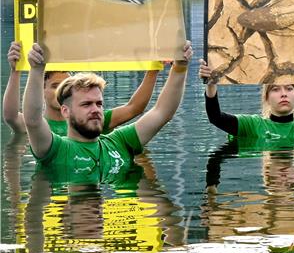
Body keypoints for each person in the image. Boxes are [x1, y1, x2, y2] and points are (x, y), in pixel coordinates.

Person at [22, 41, 193, 181]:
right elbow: (33, 120)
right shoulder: (56, 149)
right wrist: (37, 69)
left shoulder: (119, 141)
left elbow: (162, 112)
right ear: (66, 111)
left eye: (99, 104)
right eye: (86, 104)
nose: (95, 109)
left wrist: (180, 67)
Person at [3, 41, 161, 136]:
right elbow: (10, 116)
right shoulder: (33, 123)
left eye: (66, 85)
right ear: (42, 90)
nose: (61, 90)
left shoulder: (91, 118)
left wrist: (153, 69)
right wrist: (15, 70)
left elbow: (134, 108)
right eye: (55, 86)